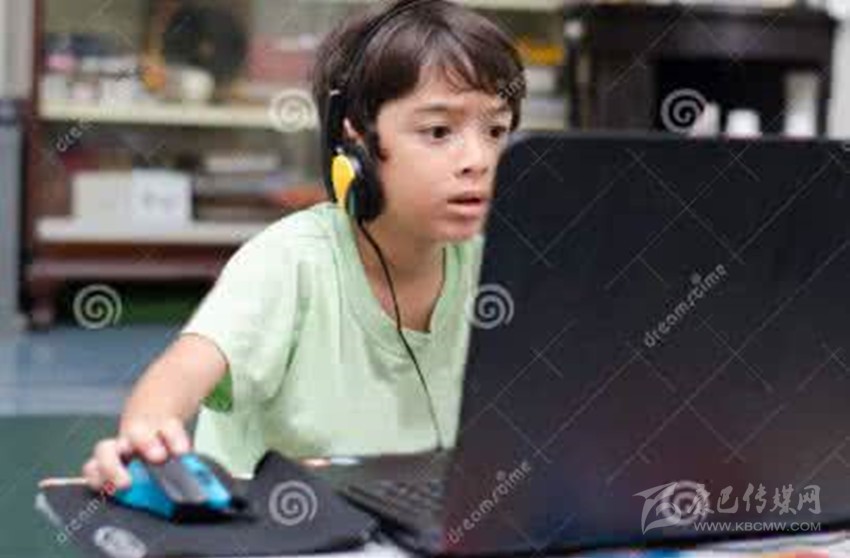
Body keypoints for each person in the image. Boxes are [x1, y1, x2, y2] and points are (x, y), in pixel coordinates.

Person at [82, 0, 526, 490]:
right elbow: (182, 370)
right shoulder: (289, 261)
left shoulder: (499, 266)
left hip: (423, 518)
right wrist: (146, 433)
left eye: (496, 130)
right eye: (438, 131)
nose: (478, 159)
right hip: (277, 523)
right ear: (356, 143)